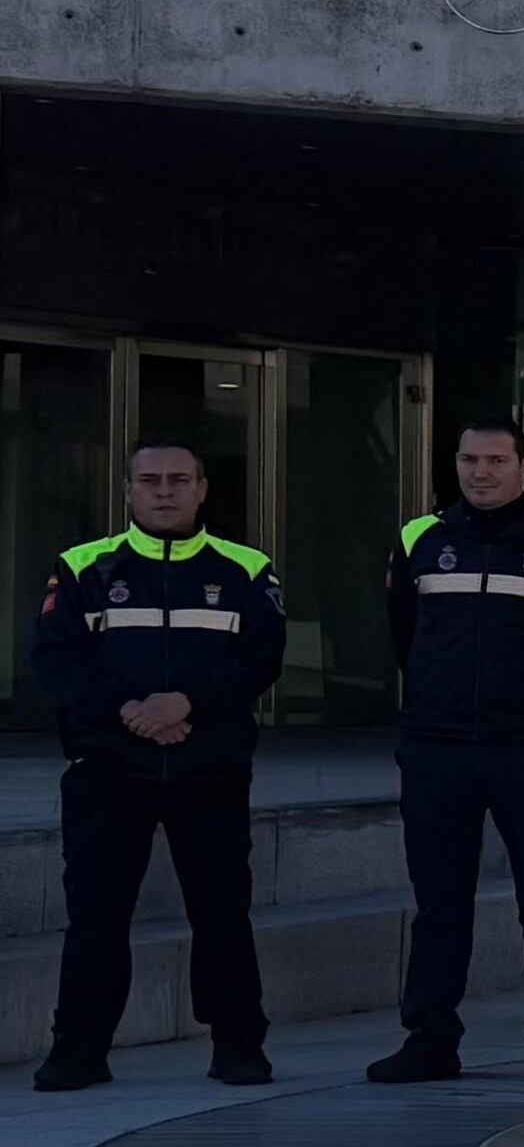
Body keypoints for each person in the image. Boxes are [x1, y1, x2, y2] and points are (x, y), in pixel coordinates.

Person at [29, 441, 286, 1093]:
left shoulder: (246, 568)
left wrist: (185, 702)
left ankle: (238, 1046)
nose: (163, 491)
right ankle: (78, 1051)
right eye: (149, 480)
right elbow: (57, 662)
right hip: (109, 768)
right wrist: (130, 710)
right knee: (96, 916)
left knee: (222, 914)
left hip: (209, 769)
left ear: (202, 488)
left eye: (177, 480)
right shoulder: (83, 567)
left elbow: (260, 658)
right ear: (128, 491)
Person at [372, 418, 524, 1086]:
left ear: (523, 467)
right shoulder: (419, 539)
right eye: (470, 459)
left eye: (497, 460)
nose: (481, 472)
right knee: (439, 903)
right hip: (437, 749)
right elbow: (405, 637)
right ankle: (430, 1040)